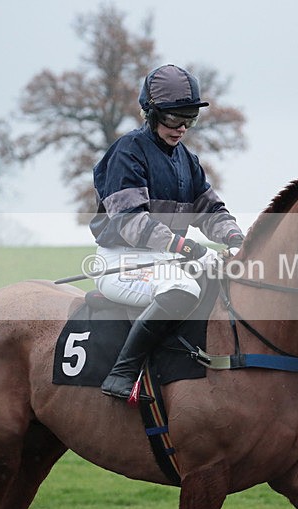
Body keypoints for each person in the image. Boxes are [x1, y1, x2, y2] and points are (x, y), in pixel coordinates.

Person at [90, 64, 244, 400]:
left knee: (224, 282)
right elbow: (131, 222)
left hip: (166, 259)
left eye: (190, 119)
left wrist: (236, 239)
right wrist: (190, 249)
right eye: (175, 119)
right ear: (152, 114)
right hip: (122, 261)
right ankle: (122, 373)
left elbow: (211, 211)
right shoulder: (127, 152)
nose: (182, 127)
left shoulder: (187, 160)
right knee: (183, 288)